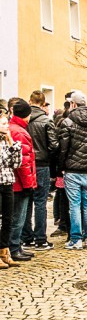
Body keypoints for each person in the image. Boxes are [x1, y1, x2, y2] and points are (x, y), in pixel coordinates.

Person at [58, 90, 87, 251]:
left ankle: (76, 239)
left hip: (72, 169)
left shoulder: (67, 122)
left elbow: (63, 149)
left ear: (73, 104)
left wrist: (60, 167)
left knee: (74, 205)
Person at [21, 90, 59, 250]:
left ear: (30, 101)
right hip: (42, 164)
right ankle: (40, 238)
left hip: (27, 163)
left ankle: (26, 237)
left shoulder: (24, 121)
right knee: (41, 202)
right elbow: (54, 145)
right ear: (43, 103)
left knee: (26, 201)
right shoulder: (46, 121)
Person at [7, 100, 37, 263]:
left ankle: (16, 246)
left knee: (16, 216)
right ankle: (13, 247)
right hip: (19, 184)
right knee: (18, 217)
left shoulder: (15, 129)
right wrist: (28, 185)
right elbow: (24, 163)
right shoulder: (19, 132)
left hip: (16, 182)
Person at [0, 112, 22, 268]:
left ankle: (4, 250)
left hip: (8, 181)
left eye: (7, 123)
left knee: (8, 218)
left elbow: (16, 163)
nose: (7, 126)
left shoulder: (6, 141)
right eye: (3, 124)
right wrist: (11, 147)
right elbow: (3, 160)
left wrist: (11, 143)